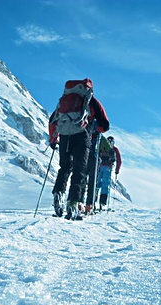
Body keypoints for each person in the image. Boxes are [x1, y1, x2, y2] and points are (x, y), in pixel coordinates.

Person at [49, 79, 110, 220]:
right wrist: (94, 128)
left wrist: (53, 139)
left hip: (64, 136)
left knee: (64, 167)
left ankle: (58, 193)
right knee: (79, 171)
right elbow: (105, 125)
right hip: (82, 136)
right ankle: (73, 204)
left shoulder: (64, 101)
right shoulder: (91, 101)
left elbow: (53, 120)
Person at [96, 135, 122, 210]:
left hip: (100, 167)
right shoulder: (114, 149)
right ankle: (103, 202)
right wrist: (117, 170)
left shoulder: (102, 146)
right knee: (105, 185)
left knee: (97, 184)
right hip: (108, 167)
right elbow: (119, 161)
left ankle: (93, 200)